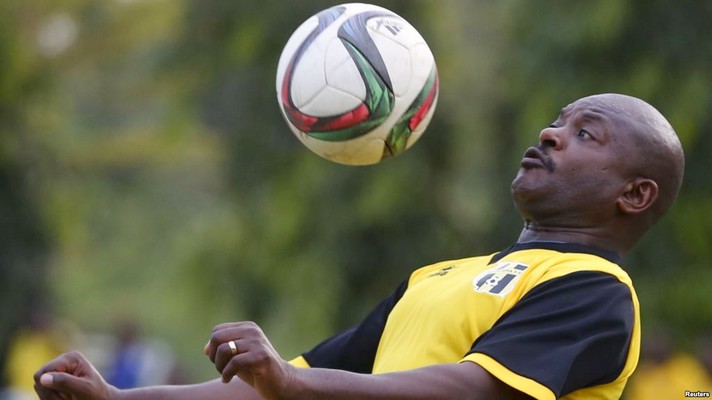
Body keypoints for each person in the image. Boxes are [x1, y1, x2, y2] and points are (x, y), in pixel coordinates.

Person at [33, 93, 685, 400]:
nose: (549, 133)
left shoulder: (597, 290)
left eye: (585, 134)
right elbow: (263, 389)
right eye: (558, 120)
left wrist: (292, 384)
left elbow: (473, 391)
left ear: (634, 195)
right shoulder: (435, 277)